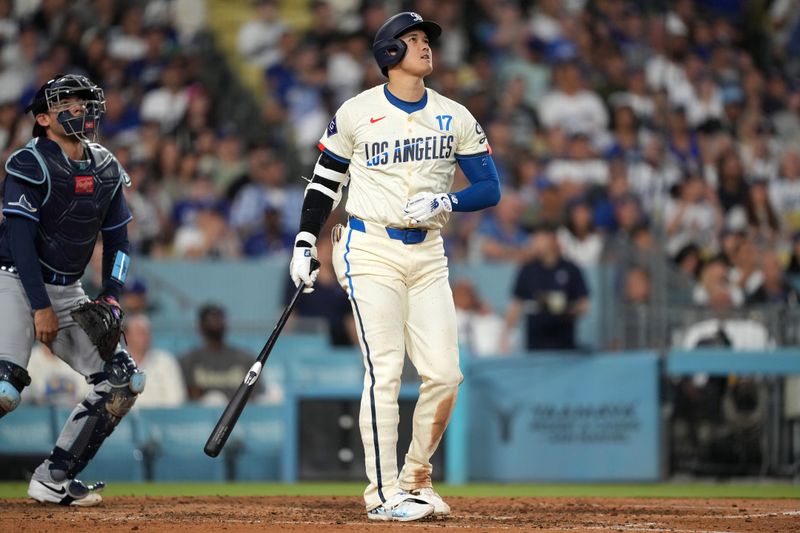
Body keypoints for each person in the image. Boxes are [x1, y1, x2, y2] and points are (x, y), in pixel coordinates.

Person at [288, 12, 500, 522]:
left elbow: (489, 188)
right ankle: (382, 495)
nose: (425, 46)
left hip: (427, 252)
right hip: (368, 248)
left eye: (427, 39)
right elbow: (322, 183)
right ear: (388, 53)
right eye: (413, 39)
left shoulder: (454, 114)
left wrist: (445, 202)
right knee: (384, 371)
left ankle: (415, 479)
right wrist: (302, 241)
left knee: (446, 374)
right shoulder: (357, 112)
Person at [0, 74, 144, 506]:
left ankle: (53, 477)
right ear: (42, 118)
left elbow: (120, 241)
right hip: (13, 281)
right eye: (67, 103)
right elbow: (20, 243)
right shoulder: (29, 162)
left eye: (83, 102)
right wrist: (40, 307)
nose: (80, 108)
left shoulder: (105, 165)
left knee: (123, 382)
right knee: (5, 391)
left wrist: (113, 293)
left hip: (68, 290)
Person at [502, 223, 589, 351]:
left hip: (564, 346)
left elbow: (584, 305)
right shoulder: (527, 270)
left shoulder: (571, 270)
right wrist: (505, 336)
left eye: (538, 237)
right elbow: (516, 304)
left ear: (551, 238)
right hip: (535, 347)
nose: (533, 242)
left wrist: (564, 308)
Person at [180, 303, 258, 404]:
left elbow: (254, 395)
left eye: (219, 319)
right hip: (201, 418)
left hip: (239, 416)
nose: (215, 323)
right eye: (210, 320)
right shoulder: (188, 360)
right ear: (200, 326)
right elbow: (185, 396)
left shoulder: (245, 358)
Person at [124, 313, 186, 408]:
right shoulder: (113, 365)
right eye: (139, 333)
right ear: (127, 337)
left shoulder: (166, 362)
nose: (144, 337)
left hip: (161, 420)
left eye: (146, 333)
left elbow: (176, 401)